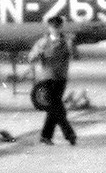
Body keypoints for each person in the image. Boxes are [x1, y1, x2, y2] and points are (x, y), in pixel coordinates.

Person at [27, 14, 75, 146]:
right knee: (57, 108)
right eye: (53, 27)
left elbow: (71, 54)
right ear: (49, 28)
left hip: (61, 78)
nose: (55, 30)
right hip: (48, 78)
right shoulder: (43, 42)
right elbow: (31, 57)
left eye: (57, 27)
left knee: (54, 109)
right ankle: (69, 134)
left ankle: (45, 136)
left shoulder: (66, 41)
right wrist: (37, 54)